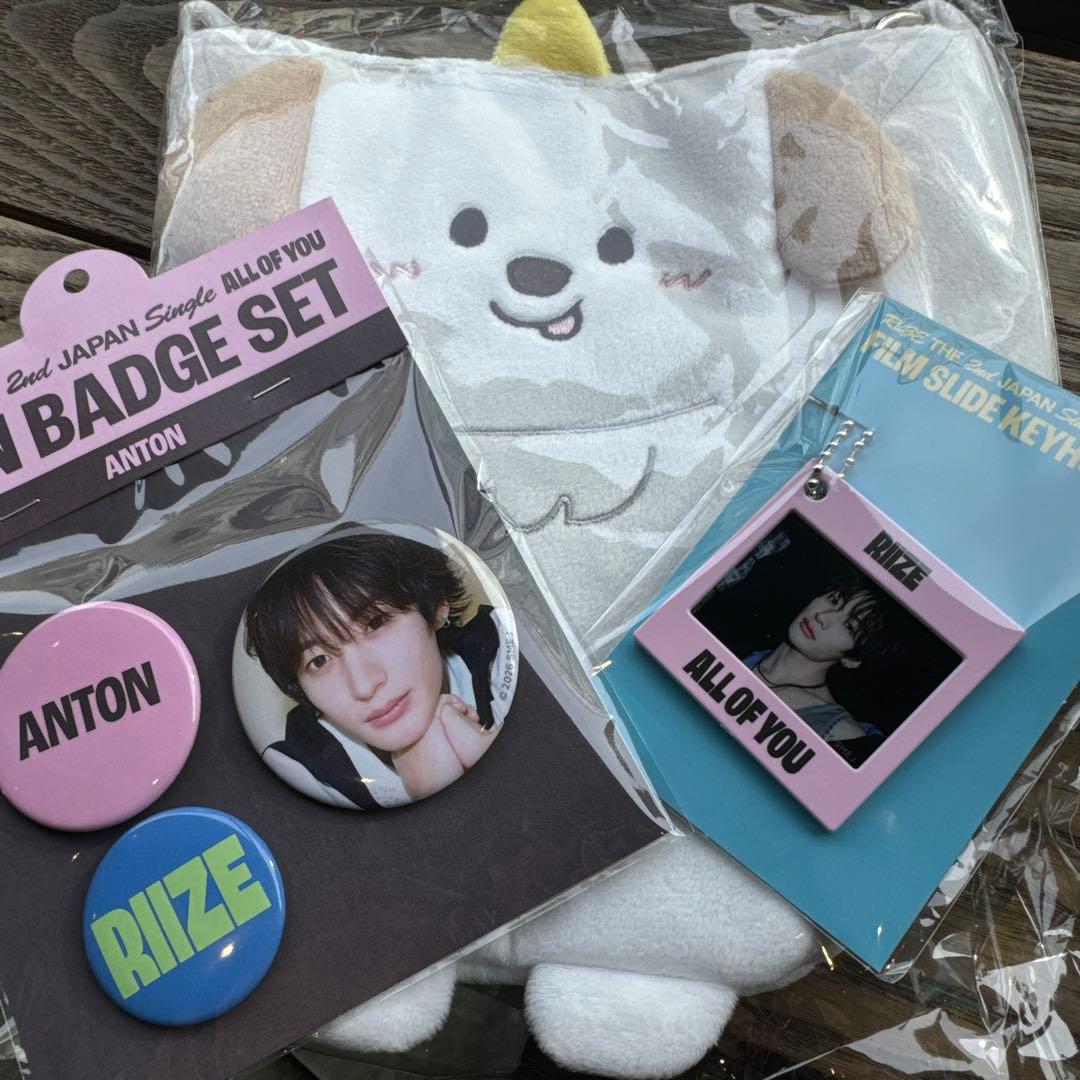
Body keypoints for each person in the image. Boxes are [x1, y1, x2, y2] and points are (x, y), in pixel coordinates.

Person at [245, 531, 506, 807]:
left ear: (437, 606)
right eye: (319, 660)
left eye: (375, 623)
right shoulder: (293, 775)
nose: (364, 685)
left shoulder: (505, 646)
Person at [742, 578, 900, 764]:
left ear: (852, 660)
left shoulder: (842, 734)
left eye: (850, 626)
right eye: (834, 600)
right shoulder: (738, 650)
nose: (822, 617)